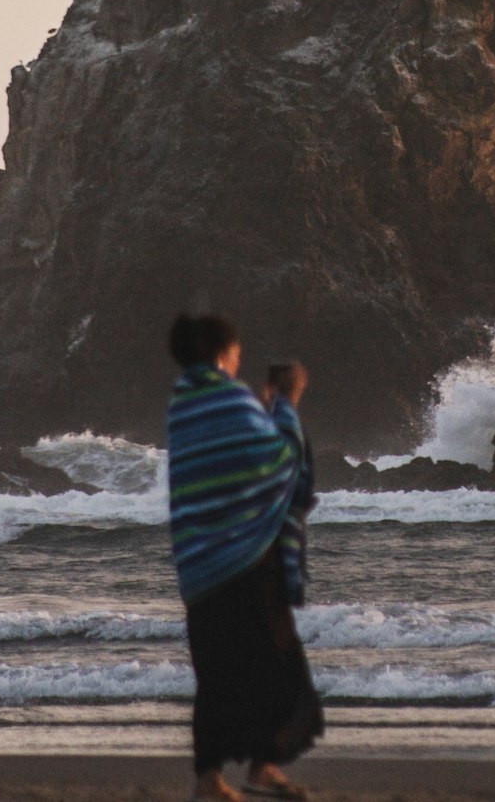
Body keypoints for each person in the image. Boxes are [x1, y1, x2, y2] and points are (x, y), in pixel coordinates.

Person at [167, 315, 323, 802]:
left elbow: (225, 463)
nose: (238, 360)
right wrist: (287, 404)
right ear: (220, 353)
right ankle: (262, 768)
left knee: (215, 674)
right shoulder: (230, 398)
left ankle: (207, 779)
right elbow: (278, 461)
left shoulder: (184, 402)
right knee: (280, 666)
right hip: (244, 564)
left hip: (198, 564)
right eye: (235, 351)